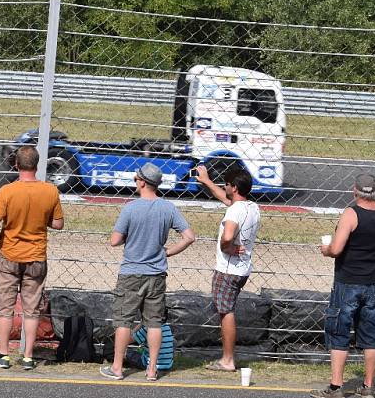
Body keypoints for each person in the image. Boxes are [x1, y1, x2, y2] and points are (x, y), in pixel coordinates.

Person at [311, 132, 375, 398]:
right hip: (373, 283)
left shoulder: (351, 213)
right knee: (371, 335)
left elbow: (336, 249)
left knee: (339, 331)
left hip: (348, 282)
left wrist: (326, 250)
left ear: (354, 191)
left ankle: (336, 388)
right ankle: (368, 387)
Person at [100, 163, 195, 381]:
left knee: (124, 320)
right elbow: (189, 237)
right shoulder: (168, 208)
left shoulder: (130, 208)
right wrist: (167, 252)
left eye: (136, 179)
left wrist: (127, 236)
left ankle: (117, 367)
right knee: (154, 322)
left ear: (142, 182)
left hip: (131, 273)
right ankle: (152, 370)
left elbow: (114, 241)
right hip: (156, 273)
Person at [0, 146, 64, 370]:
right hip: (36, 258)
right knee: (32, 309)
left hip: (9, 255)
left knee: (5, 307)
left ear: (16, 165)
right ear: (38, 165)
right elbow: (58, 223)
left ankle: (3, 354)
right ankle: (28, 356)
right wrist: (41, 220)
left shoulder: (7, 191)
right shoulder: (50, 191)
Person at [195, 164, 260, 372]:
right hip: (242, 269)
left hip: (228, 270)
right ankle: (228, 358)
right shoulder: (252, 207)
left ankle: (228, 360)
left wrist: (227, 247)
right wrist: (206, 181)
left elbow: (229, 235)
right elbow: (226, 200)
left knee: (226, 312)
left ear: (234, 188)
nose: (226, 188)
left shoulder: (234, 212)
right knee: (227, 309)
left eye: (227, 185)